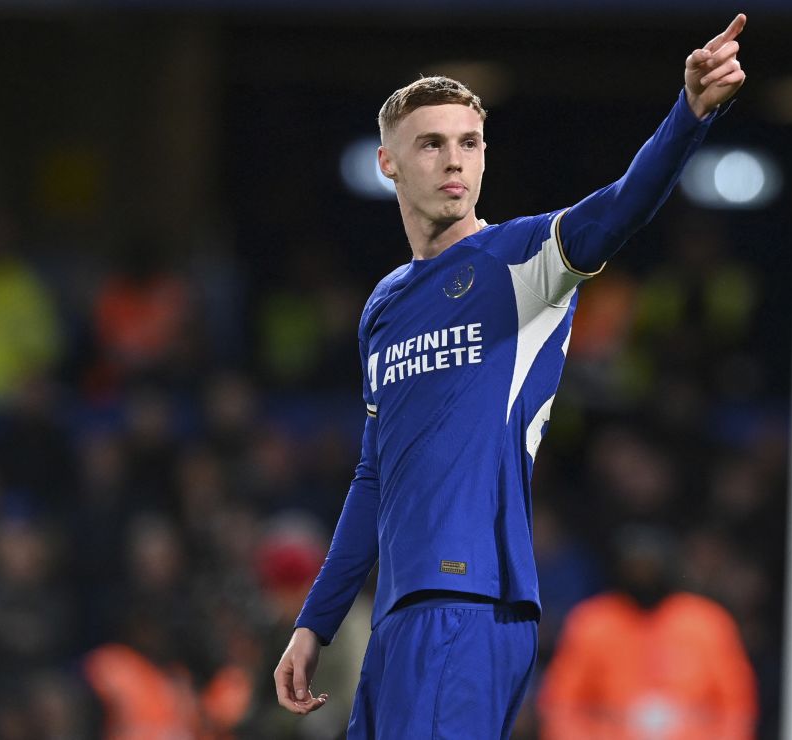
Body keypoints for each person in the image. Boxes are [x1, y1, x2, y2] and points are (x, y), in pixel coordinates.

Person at [273, 14, 748, 738]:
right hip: (401, 612)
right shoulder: (384, 306)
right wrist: (317, 623)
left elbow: (622, 207)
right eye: (430, 144)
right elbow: (374, 476)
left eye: (468, 144)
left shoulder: (522, 262)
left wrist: (688, 116)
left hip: (472, 601)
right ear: (388, 163)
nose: (453, 161)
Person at [537, 526, 758, 739]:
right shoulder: (593, 622)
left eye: (650, 567)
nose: (643, 575)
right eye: (635, 567)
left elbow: (736, 709)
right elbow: (561, 706)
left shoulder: (707, 623)